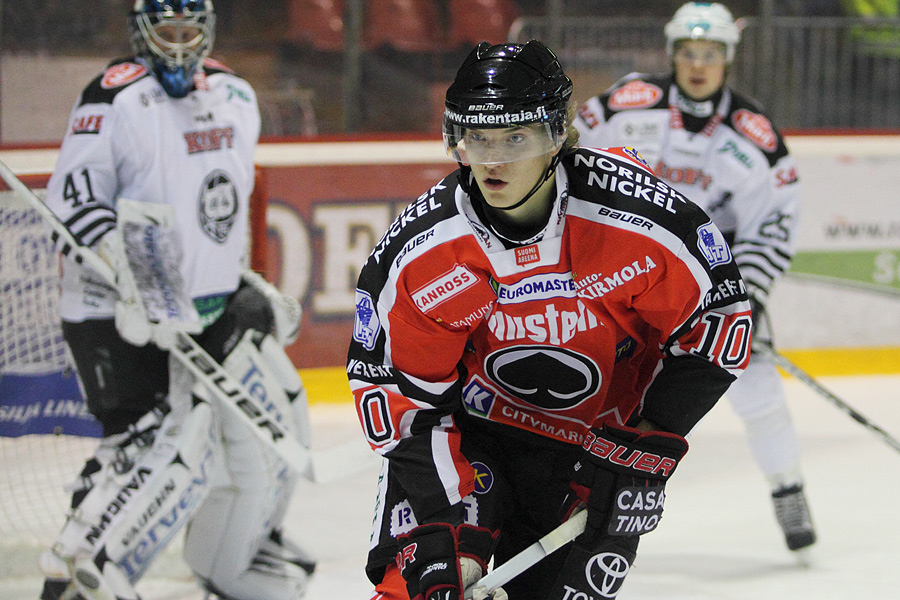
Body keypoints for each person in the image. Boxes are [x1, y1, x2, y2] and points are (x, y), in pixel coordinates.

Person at [347, 39, 752, 600]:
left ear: (557, 134)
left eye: (516, 137)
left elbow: (718, 323)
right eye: (478, 137)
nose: (493, 160)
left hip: (595, 454)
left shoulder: (639, 218)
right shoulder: (423, 252)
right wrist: (440, 523)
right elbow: (399, 393)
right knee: (420, 590)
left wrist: (647, 439)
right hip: (473, 436)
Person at [37, 1, 315, 599]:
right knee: (139, 447)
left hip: (198, 311)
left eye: (191, 30)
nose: (181, 43)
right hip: (113, 313)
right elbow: (73, 203)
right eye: (168, 30)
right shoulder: (112, 97)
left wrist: (238, 281)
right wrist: (126, 272)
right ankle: (70, 580)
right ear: (142, 32)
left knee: (274, 418)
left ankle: (250, 547)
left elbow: (220, 209)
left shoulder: (235, 95)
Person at [573, 1, 814, 554]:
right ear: (672, 54)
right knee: (600, 385)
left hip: (713, 286)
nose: (698, 65)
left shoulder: (756, 137)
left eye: (710, 53)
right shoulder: (626, 105)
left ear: (728, 58)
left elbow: (773, 226)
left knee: (757, 389)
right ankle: (575, 497)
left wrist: (745, 299)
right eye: (688, 52)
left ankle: (788, 487)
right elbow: (567, 157)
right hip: (629, 278)